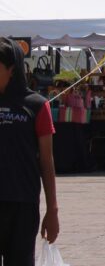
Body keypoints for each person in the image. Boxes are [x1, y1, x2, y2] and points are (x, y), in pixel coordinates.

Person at [0, 38, 59, 263]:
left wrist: (52, 210)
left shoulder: (36, 105)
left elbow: (46, 161)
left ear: (12, 69)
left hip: (22, 206)